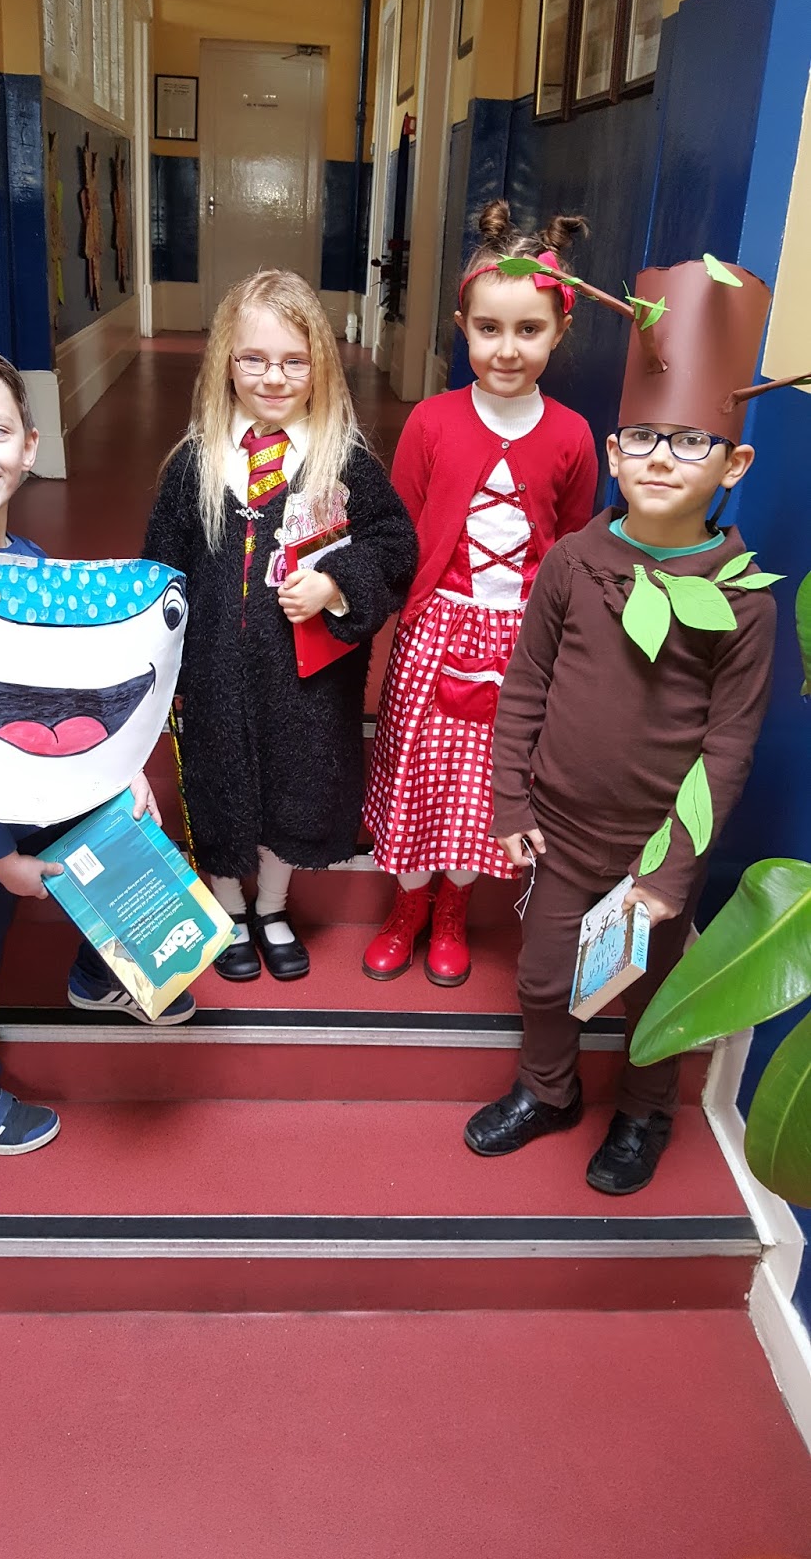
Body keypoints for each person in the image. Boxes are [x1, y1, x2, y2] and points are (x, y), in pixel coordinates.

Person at [464, 255, 785, 1194]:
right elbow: (526, 685)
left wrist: (673, 871)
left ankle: (645, 1113)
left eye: (689, 442)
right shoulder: (573, 562)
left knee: (652, 996)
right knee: (542, 978)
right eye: (643, 437)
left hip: (657, 846)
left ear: (734, 464)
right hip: (560, 831)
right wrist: (509, 801)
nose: (660, 458)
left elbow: (727, 746)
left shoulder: (745, 602)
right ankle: (547, 1089)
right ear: (613, 453)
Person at [0, 337, 192, 1157]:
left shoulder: (29, 564)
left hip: (37, 783)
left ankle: (104, 974)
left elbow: (70, 693)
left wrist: (122, 769)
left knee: (126, 835)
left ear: (30, 447)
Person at [143, 269, 417, 982]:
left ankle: (270, 905)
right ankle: (229, 906)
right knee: (220, 786)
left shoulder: (343, 460)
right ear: (225, 362)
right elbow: (159, 569)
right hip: (214, 672)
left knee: (295, 790)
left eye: (295, 361)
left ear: (320, 365)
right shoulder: (196, 465)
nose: (274, 377)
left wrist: (336, 583)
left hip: (306, 680)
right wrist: (159, 666)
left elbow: (394, 545)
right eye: (254, 359)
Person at [362, 202, 598, 987]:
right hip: (434, 633)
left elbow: (570, 546)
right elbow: (398, 530)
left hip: (521, 644)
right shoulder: (431, 422)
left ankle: (453, 911)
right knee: (419, 775)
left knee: (481, 787)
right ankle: (407, 905)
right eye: (489, 328)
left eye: (529, 330)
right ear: (463, 326)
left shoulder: (572, 435)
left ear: (559, 331)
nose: (507, 348)